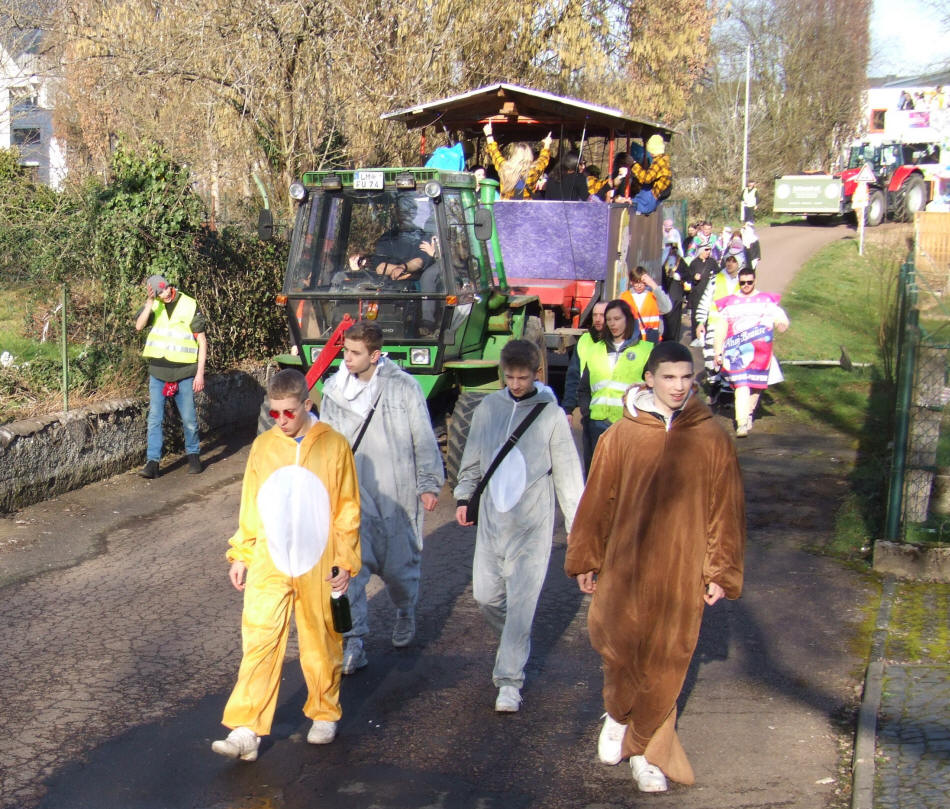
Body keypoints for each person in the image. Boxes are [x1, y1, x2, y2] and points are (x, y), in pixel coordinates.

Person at [565, 340, 745, 793]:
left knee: (667, 661)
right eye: (669, 377)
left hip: (682, 570)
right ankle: (618, 714)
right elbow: (597, 501)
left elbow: (727, 508)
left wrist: (719, 570)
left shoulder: (712, 438)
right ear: (649, 379)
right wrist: (587, 556)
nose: (679, 386)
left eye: (687, 378)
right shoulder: (620, 437)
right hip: (624, 566)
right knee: (617, 649)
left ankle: (646, 751)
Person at [212, 369, 361, 762]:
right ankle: (246, 728)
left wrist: (345, 559)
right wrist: (242, 552)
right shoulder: (263, 447)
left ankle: (324, 712)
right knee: (259, 639)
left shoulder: (334, 446)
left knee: (321, 637)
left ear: (307, 405)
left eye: (288, 413)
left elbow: (347, 508)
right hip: (270, 559)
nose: (280, 421)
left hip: (319, 561)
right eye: (274, 413)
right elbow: (251, 503)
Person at [454, 339, 584, 712]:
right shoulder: (488, 408)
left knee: (523, 604)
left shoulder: (550, 415)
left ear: (536, 374)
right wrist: (464, 496)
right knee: (485, 596)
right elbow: (473, 459)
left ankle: (509, 681)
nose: (515, 384)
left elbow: (568, 476)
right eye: (509, 377)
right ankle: (516, 639)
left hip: (533, 525)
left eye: (522, 377)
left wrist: (577, 527)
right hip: (493, 522)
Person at [319, 321, 444, 674]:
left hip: (395, 492)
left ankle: (405, 609)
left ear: (375, 355)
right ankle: (354, 642)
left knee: (400, 569)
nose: (347, 359)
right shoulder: (333, 391)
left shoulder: (403, 388)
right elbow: (325, 443)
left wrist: (429, 482)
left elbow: (422, 435)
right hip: (351, 494)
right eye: (345, 351)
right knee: (348, 573)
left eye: (355, 353)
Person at [134, 274, 207, 478]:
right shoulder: (154, 305)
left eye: (165, 290)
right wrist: (149, 302)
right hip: (158, 371)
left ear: (170, 286)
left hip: (184, 372)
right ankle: (152, 463)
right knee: (155, 418)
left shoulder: (189, 304)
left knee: (189, 419)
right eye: (159, 293)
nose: (164, 295)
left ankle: (193, 456)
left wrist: (200, 374)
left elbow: (202, 341)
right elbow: (139, 326)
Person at [713, 267, 790, 436]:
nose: (746, 285)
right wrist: (717, 351)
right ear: (739, 282)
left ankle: (747, 413)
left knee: (756, 386)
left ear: (755, 281)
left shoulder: (765, 300)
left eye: (749, 282)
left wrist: (781, 323)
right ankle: (741, 422)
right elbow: (721, 328)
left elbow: (779, 315)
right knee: (741, 385)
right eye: (742, 282)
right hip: (736, 352)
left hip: (761, 353)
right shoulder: (731, 303)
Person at [579, 299, 653, 455]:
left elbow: (653, 389)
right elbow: (584, 387)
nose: (612, 324)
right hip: (597, 425)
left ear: (628, 319)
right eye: (609, 320)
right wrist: (587, 414)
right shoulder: (596, 349)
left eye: (617, 319)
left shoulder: (645, 350)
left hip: (630, 424)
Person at [562, 300, 608, 472]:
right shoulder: (585, 341)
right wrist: (568, 408)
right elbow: (573, 375)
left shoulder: (618, 344)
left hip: (615, 416)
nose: (597, 319)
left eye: (602, 315)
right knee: (588, 464)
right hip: (588, 409)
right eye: (595, 315)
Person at [695, 254, 743, 371]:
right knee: (711, 358)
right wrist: (701, 322)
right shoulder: (715, 279)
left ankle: (725, 384)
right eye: (728, 260)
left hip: (734, 328)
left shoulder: (743, 283)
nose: (729, 264)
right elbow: (705, 301)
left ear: (739, 263)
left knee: (730, 358)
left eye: (733, 261)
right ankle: (713, 382)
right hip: (714, 325)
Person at [483, 121, 552, 199]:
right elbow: (543, 159)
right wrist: (547, 144)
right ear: (530, 156)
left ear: (514, 155)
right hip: (527, 209)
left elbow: (494, 152)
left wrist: (489, 134)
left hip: (506, 209)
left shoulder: (504, 168)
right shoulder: (534, 170)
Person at [619, 265, 673, 342]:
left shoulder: (653, 295)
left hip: (652, 338)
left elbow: (667, 308)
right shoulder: (624, 297)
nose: (639, 286)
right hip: (632, 338)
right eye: (636, 282)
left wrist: (653, 284)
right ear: (631, 282)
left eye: (642, 282)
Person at [629, 134, 671, 215]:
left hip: (651, 197)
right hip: (654, 195)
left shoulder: (659, 162)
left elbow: (647, 178)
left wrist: (634, 165)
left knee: (635, 205)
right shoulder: (663, 160)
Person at [687, 241, 717, 341]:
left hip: (709, 295)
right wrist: (694, 277)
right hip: (697, 294)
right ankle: (696, 338)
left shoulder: (712, 262)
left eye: (709, 250)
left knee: (709, 316)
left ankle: (708, 337)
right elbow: (688, 277)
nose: (708, 252)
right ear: (700, 250)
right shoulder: (694, 263)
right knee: (696, 316)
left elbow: (719, 274)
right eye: (706, 250)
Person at [660, 243, 689, 344]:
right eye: (671, 248)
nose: (673, 251)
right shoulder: (663, 260)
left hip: (676, 292)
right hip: (665, 291)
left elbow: (688, 274)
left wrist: (680, 276)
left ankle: (674, 340)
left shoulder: (680, 261)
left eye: (675, 249)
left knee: (675, 316)